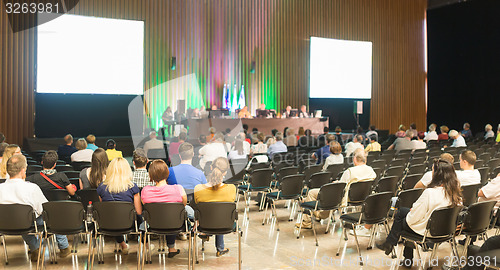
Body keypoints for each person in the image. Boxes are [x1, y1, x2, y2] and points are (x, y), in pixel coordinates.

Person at [377, 158, 462, 265]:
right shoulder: (456, 194)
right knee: (403, 212)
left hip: (427, 232)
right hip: (446, 231)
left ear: (437, 174)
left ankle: (393, 247)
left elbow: (412, 220)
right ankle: (393, 247)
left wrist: (412, 212)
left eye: (432, 170)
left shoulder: (430, 193)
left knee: (401, 218)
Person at [0, 155, 70, 261]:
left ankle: (35, 249)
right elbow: (44, 209)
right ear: (23, 170)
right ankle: (64, 247)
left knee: (22, 219)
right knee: (52, 216)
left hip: (6, 223)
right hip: (27, 222)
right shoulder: (31, 188)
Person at [141, 159, 193, 257]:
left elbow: (145, 206)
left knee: (165, 213)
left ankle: (171, 248)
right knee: (173, 213)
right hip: (175, 224)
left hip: (153, 225)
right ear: (167, 173)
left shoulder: (145, 191)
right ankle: (171, 248)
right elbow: (183, 205)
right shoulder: (178, 189)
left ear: (150, 175)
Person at [97, 157, 142, 255]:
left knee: (113, 215)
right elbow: (138, 211)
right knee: (139, 218)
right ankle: (146, 245)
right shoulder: (132, 187)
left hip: (108, 223)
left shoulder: (101, 187)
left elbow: (103, 209)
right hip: (129, 223)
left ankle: (123, 245)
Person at [194, 157, 235, 257]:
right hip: (225, 225)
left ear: (211, 168)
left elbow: (197, 206)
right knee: (220, 212)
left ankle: (206, 234)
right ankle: (220, 248)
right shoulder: (232, 188)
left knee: (211, 211)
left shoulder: (198, 188)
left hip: (204, 225)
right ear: (225, 172)